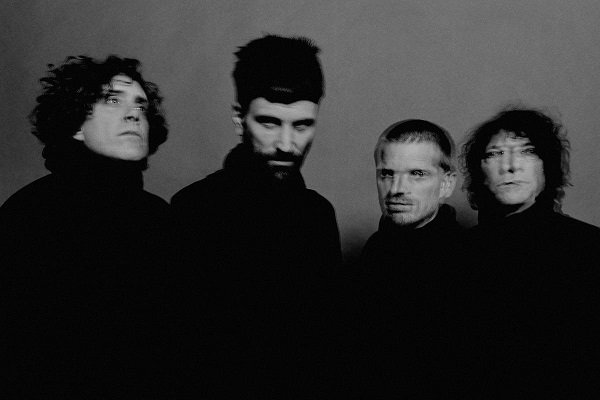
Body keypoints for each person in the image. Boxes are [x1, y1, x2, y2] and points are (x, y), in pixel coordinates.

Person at [170, 34, 341, 395]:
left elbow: (326, 346)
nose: (286, 145)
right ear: (239, 118)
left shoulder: (318, 216)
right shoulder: (194, 210)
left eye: (302, 125)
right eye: (269, 123)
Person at [1, 55, 171, 397]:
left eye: (141, 104)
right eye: (113, 100)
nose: (134, 113)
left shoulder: (160, 217)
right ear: (76, 125)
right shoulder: (30, 216)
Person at [459, 107, 600, 396]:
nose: (510, 166)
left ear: (547, 167)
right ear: (479, 172)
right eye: (495, 154)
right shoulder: (456, 254)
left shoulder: (589, 248)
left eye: (528, 151)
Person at [338, 119, 461, 396]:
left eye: (417, 174)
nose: (396, 189)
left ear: (446, 184)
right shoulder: (375, 251)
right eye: (387, 174)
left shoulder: (468, 263)